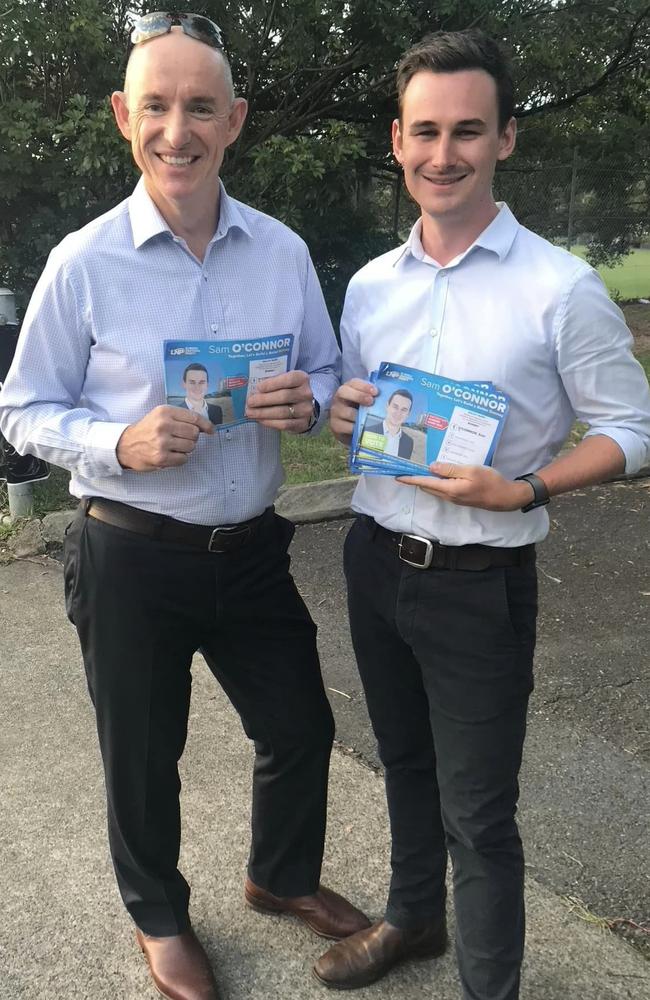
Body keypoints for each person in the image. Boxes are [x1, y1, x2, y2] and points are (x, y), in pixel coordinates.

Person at [0, 13, 370, 1000]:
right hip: (130, 555)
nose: (178, 128)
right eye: (156, 105)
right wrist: (114, 441)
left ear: (233, 119)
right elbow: (22, 407)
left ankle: (278, 874)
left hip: (249, 550)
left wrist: (307, 395)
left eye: (199, 106)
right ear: (125, 116)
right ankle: (158, 915)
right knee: (142, 755)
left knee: (295, 723)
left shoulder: (280, 252)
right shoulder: (83, 262)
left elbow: (325, 370)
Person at [313, 28, 650, 1000]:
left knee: (478, 813)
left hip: (478, 584)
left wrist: (527, 487)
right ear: (396, 138)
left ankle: (487, 987)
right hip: (374, 563)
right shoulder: (372, 284)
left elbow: (632, 427)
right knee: (402, 764)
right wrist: (345, 411)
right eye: (424, 130)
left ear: (504, 137)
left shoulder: (558, 287)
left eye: (467, 129)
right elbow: (361, 409)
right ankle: (413, 919)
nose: (442, 152)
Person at [364, 389, 414, 459]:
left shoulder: (409, 443)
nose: (398, 413)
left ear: (408, 414)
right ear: (387, 406)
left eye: (404, 410)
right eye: (395, 407)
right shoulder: (367, 432)